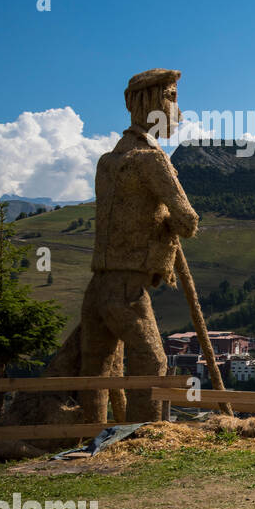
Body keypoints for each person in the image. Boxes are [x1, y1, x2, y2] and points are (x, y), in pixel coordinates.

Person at [79, 69, 199, 424]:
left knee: (95, 364)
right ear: (152, 103)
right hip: (128, 286)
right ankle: (145, 432)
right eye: (172, 98)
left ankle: (88, 431)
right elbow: (188, 221)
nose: (177, 110)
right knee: (152, 360)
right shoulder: (152, 159)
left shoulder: (107, 162)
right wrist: (168, 226)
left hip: (98, 284)